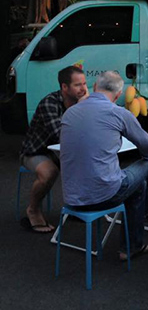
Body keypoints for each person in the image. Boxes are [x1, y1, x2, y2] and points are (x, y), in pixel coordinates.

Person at [60, 71, 148, 260]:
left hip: (71, 197)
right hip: (104, 195)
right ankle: (141, 224)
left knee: (138, 186)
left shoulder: (70, 113)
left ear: (95, 87)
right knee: (146, 166)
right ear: (119, 94)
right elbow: (147, 147)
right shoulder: (119, 113)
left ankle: (134, 241)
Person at [19, 66, 88, 233]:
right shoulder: (49, 103)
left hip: (61, 150)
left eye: (85, 84)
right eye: (78, 85)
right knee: (49, 172)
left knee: (86, 164)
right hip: (36, 150)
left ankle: (76, 208)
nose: (84, 89)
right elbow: (61, 135)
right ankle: (32, 210)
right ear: (65, 87)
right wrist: (79, 109)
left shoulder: (82, 102)